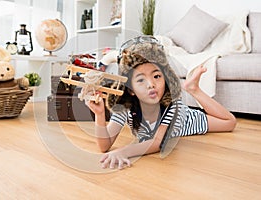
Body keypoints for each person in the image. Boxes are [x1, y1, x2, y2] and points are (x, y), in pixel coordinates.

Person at [86, 35, 237, 170]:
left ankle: (193, 89)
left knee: (229, 122)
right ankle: (192, 87)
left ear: (165, 78)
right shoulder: (125, 106)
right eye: (140, 80)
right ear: (130, 89)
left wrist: (123, 151)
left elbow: (157, 142)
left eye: (157, 76)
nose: (151, 84)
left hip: (186, 120)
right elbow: (104, 146)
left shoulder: (172, 103)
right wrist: (99, 115)